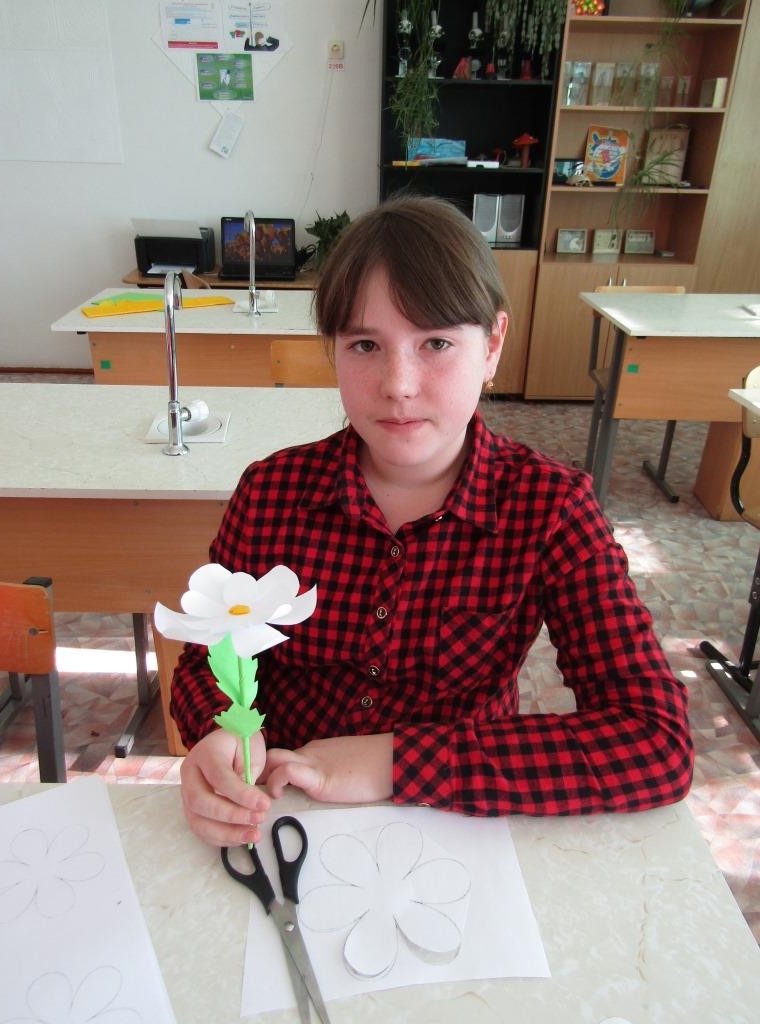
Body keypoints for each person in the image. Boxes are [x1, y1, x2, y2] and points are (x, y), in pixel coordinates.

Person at [171, 195, 694, 847]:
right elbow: (206, 659)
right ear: (333, 350)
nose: (398, 383)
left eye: (437, 342)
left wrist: (393, 761)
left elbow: (656, 741)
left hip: (455, 826)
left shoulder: (551, 508)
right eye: (365, 344)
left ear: (492, 345)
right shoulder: (271, 492)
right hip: (281, 815)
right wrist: (221, 731)